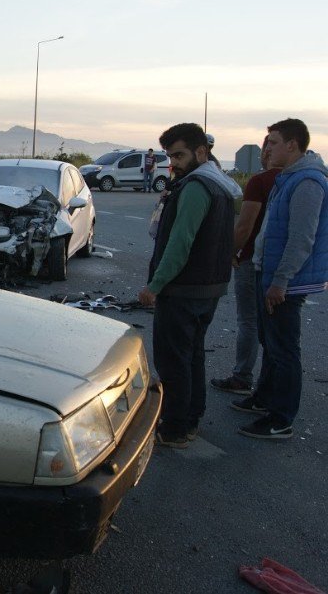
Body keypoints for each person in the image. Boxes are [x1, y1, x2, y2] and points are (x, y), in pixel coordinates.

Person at [138, 122, 240, 448]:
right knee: (192, 356)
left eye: (179, 155)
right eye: (170, 156)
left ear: (201, 151)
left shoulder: (196, 186)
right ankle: (190, 419)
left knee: (173, 361)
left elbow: (179, 244)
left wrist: (155, 285)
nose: (174, 163)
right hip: (209, 287)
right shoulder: (221, 184)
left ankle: (175, 427)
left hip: (184, 291)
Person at [233, 119, 327, 439]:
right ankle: (265, 398)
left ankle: (281, 418)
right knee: (270, 343)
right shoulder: (286, 178)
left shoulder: (308, 182)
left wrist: (281, 281)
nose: (266, 148)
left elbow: (302, 238)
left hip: (286, 282)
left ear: (292, 145)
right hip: (268, 273)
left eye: (273, 142)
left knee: (284, 350)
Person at [211, 137, 282, 395]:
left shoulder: (260, 181)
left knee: (248, 321)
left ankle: (242, 376)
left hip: (251, 258)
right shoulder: (297, 181)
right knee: (274, 328)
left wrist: (230, 252)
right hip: (281, 265)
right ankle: (270, 386)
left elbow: (245, 225)